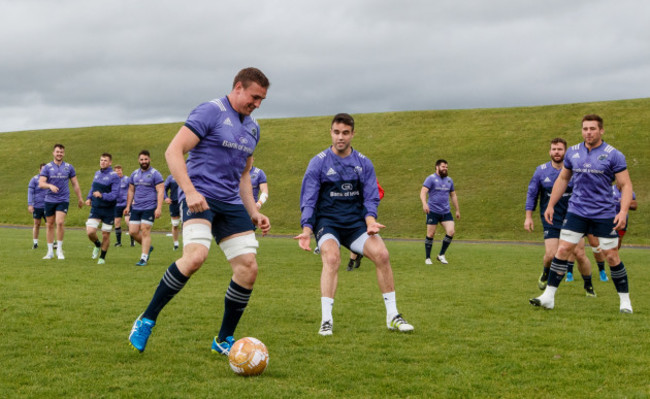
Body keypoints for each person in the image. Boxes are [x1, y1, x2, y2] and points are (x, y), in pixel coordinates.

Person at [128, 67, 271, 355]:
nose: (256, 104)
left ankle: (223, 340)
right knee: (195, 258)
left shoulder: (252, 128)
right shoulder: (211, 111)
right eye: (254, 97)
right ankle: (146, 319)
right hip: (200, 197)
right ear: (239, 87)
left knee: (248, 268)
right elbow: (173, 150)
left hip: (231, 201)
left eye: (261, 101)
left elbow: (244, 175)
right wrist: (190, 191)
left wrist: (253, 210)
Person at [294, 113, 414, 336]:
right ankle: (326, 320)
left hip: (356, 224)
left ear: (352, 134)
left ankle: (393, 316)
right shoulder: (318, 163)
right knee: (331, 258)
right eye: (337, 132)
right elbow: (308, 199)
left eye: (345, 133)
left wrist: (370, 222)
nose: (341, 137)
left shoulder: (363, 163)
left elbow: (370, 197)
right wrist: (306, 230)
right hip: (328, 223)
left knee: (382, 254)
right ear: (331, 132)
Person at [530, 114, 634, 313]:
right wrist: (551, 205)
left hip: (604, 213)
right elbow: (562, 179)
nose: (588, 132)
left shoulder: (614, 155)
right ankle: (548, 297)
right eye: (585, 129)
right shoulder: (573, 152)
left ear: (601, 130)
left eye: (592, 129)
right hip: (576, 211)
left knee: (611, 256)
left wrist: (622, 211)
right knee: (562, 251)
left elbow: (625, 184)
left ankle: (625, 302)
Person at [524, 138, 596, 297]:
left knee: (579, 253)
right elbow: (532, 194)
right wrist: (528, 217)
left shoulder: (576, 170)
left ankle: (588, 286)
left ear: (566, 152)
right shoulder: (541, 171)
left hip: (574, 217)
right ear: (550, 152)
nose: (557, 152)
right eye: (554, 149)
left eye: (560, 149)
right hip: (551, 218)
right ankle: (545, 272)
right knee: (550, 254)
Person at [39, 144, 84, 260]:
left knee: (59, 222)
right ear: (53, 153)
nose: (59, 154)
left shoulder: (69, 167)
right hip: (49, 200)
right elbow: (41, 183)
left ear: (64, 153)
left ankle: (59, 250)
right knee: (49, 224)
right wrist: (50, 186)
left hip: (63, 199)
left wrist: (80, 198)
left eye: (61, 152)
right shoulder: (47, 167)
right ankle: (50, 252)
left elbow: (75, 183)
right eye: (57, 152)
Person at [124, 150, 164, 266]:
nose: (144, 161)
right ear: (138, 160)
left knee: (145, 230)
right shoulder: (134, 174)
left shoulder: (155, 174)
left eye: (146, 159)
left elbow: (160, 191)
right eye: (142, 159)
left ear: (149, 160)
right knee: (132, 232)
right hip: (136, 207)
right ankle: (148, 247)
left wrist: (159, 208)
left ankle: (144, 258)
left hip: (149, 207)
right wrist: (127, 206)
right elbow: (131, 191)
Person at [420, 159, 460, 265]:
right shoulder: (431, 179)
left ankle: (441, 255)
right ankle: (428, 258)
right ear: (437, 167)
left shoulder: (449, 180)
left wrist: (457, 210)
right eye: (443, 167)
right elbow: (423, 192)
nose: (445, 169)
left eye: (446, 167)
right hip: (432, 211)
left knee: (451, 231)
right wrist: (424, 204)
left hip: (446, 211)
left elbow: (453, 195)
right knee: (431, 233)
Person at [85, 153, 121, 264]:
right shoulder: (97, 173)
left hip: (108, 209)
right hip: (96, 207)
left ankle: (102, 258)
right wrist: (89, 198)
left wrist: (102, 195)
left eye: (105, 160)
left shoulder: (114, 176)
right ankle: (97, 244)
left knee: (106, 234)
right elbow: (93, 187)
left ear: (110, 162)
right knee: (90, 232)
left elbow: (115, 194)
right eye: (101, 160)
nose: (103, 162)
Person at [347, 180, 384, 271]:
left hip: (366, 212)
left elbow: (380, 192)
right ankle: (356, 257)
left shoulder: (368, 176)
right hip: (353, 211)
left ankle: (351, 262)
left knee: (358, 235)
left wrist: (370, 202)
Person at [28, 163, 48, 249]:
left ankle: (52, 243)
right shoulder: (34, 179)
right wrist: (30, 204)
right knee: (37, 224)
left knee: (50, 224)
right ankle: (35, 243)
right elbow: (30, 192)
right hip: (37, 206)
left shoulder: (50, 179)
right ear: (39, 170)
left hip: (48, 206)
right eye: (42, 170)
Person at [612, 183, 637, 249]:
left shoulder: (629, 192)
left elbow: (634, 206)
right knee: (608, 238)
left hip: (623, 219)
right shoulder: (610, 189)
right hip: (610, 218)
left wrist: (625, 202)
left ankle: (615, 256)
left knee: (619, 239)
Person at [112, 165, 131, 247]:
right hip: (117, 205)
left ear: (122, 170)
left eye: (119, 170)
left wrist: (132, 200)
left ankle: (132, 241)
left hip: (126, 204)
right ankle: (118, 242)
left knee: (128, 221)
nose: (118, 172)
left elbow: (132, 190)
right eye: (116, 171)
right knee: (117, 222)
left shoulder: (127, 179)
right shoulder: (113, 181)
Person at [164, 174, 181, 250]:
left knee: (187, 223)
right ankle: (176, 244)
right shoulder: (170, 177)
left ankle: (188, 244)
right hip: (174, 203)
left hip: (185, 202)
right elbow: (164, 188)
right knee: (175, 224)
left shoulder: (187, 174)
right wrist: (166, 198)